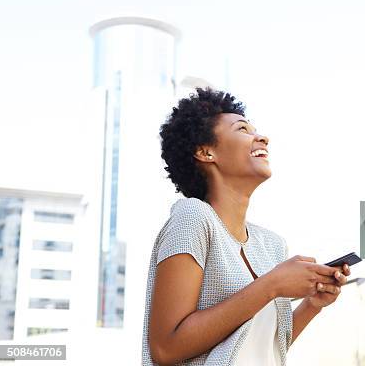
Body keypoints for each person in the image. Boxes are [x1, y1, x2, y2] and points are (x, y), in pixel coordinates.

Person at [141, 87, 351, 365]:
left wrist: (312, 305)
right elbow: (166, 348)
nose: (261, 137)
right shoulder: (193, 218)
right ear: (206, 152)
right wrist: (272, 285)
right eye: (242, 129)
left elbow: (264, 347)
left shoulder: (272, 245)